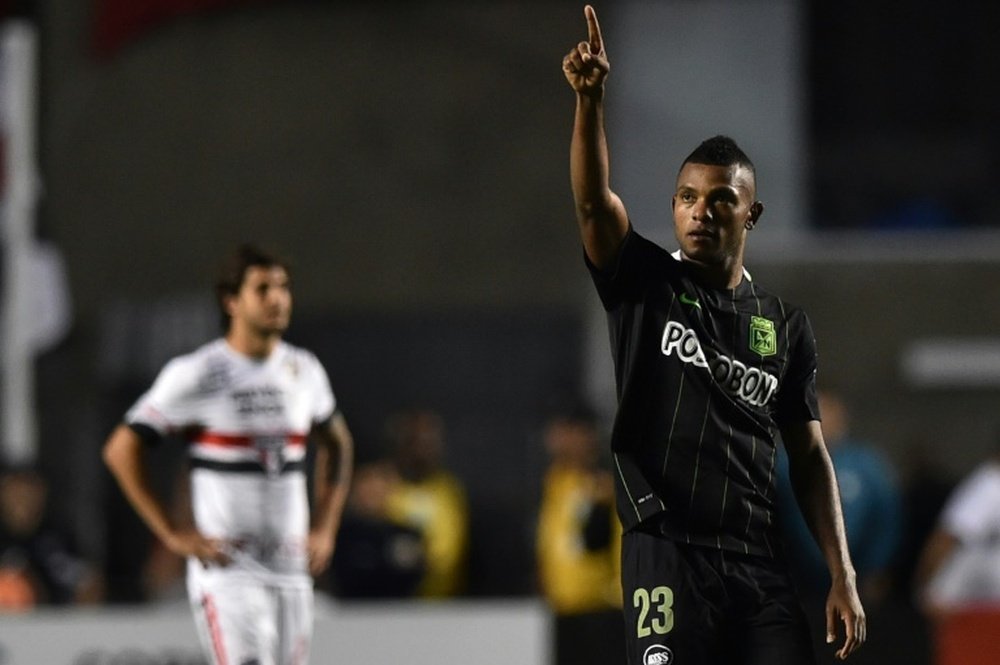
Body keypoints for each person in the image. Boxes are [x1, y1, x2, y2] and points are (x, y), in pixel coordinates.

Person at [562, 6, 865, 664]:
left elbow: (810, 457)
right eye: (685, 196)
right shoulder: (644, 282)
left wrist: (841, 571)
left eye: (719, 198)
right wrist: (590, 103)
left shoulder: (783, 324)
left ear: (750, 211)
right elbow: (593, 202)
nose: (699, 209)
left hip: (757, 563)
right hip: (666, 549)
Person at [102, 244, 354, 665]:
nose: (277, 299)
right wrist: (171, 533)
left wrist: (326, 527)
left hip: (291, 572)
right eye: (263, 289)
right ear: (231, 301)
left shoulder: (304, 370)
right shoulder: (199, 373)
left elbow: (338, 442)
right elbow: (120, 449)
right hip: (230, 573)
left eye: (283, 288)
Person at [775, 389, 902, 603]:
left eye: (827, 413)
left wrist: (878, 566)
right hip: (797, 575)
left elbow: (887, 517)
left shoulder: (866, 464)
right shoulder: (782, 463)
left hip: (856, 574)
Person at [536, 403, 624, 665]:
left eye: (565, 431)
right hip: (563, 611)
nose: (556, 440)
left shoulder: (605, 483)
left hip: (603, 610)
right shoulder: (556, 481)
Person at [382, 408, 469, 598]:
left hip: (440, 602)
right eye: (415, 442)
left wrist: (424, 558)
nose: (422, 450)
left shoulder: (448, 490)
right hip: (390, 604)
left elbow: (448, 550)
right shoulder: (385, 488)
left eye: (430, 443)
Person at [0, 462, 104, 610]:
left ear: (41, 492)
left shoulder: (57, 537)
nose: (22, 497)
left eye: (28, 489)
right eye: (15, 490)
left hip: (52, 623)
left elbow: (89, 580)